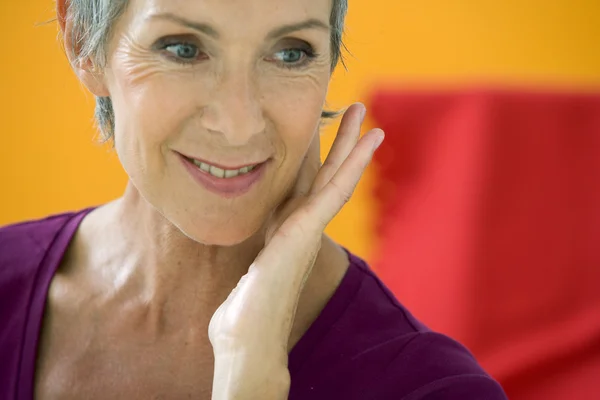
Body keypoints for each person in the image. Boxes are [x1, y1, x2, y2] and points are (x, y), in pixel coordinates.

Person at [0, 0, 508, 399]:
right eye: (182, 47)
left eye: (290, 52)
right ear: (83, 42)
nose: (238, 123)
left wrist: (249, 371)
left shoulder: (432, 390)